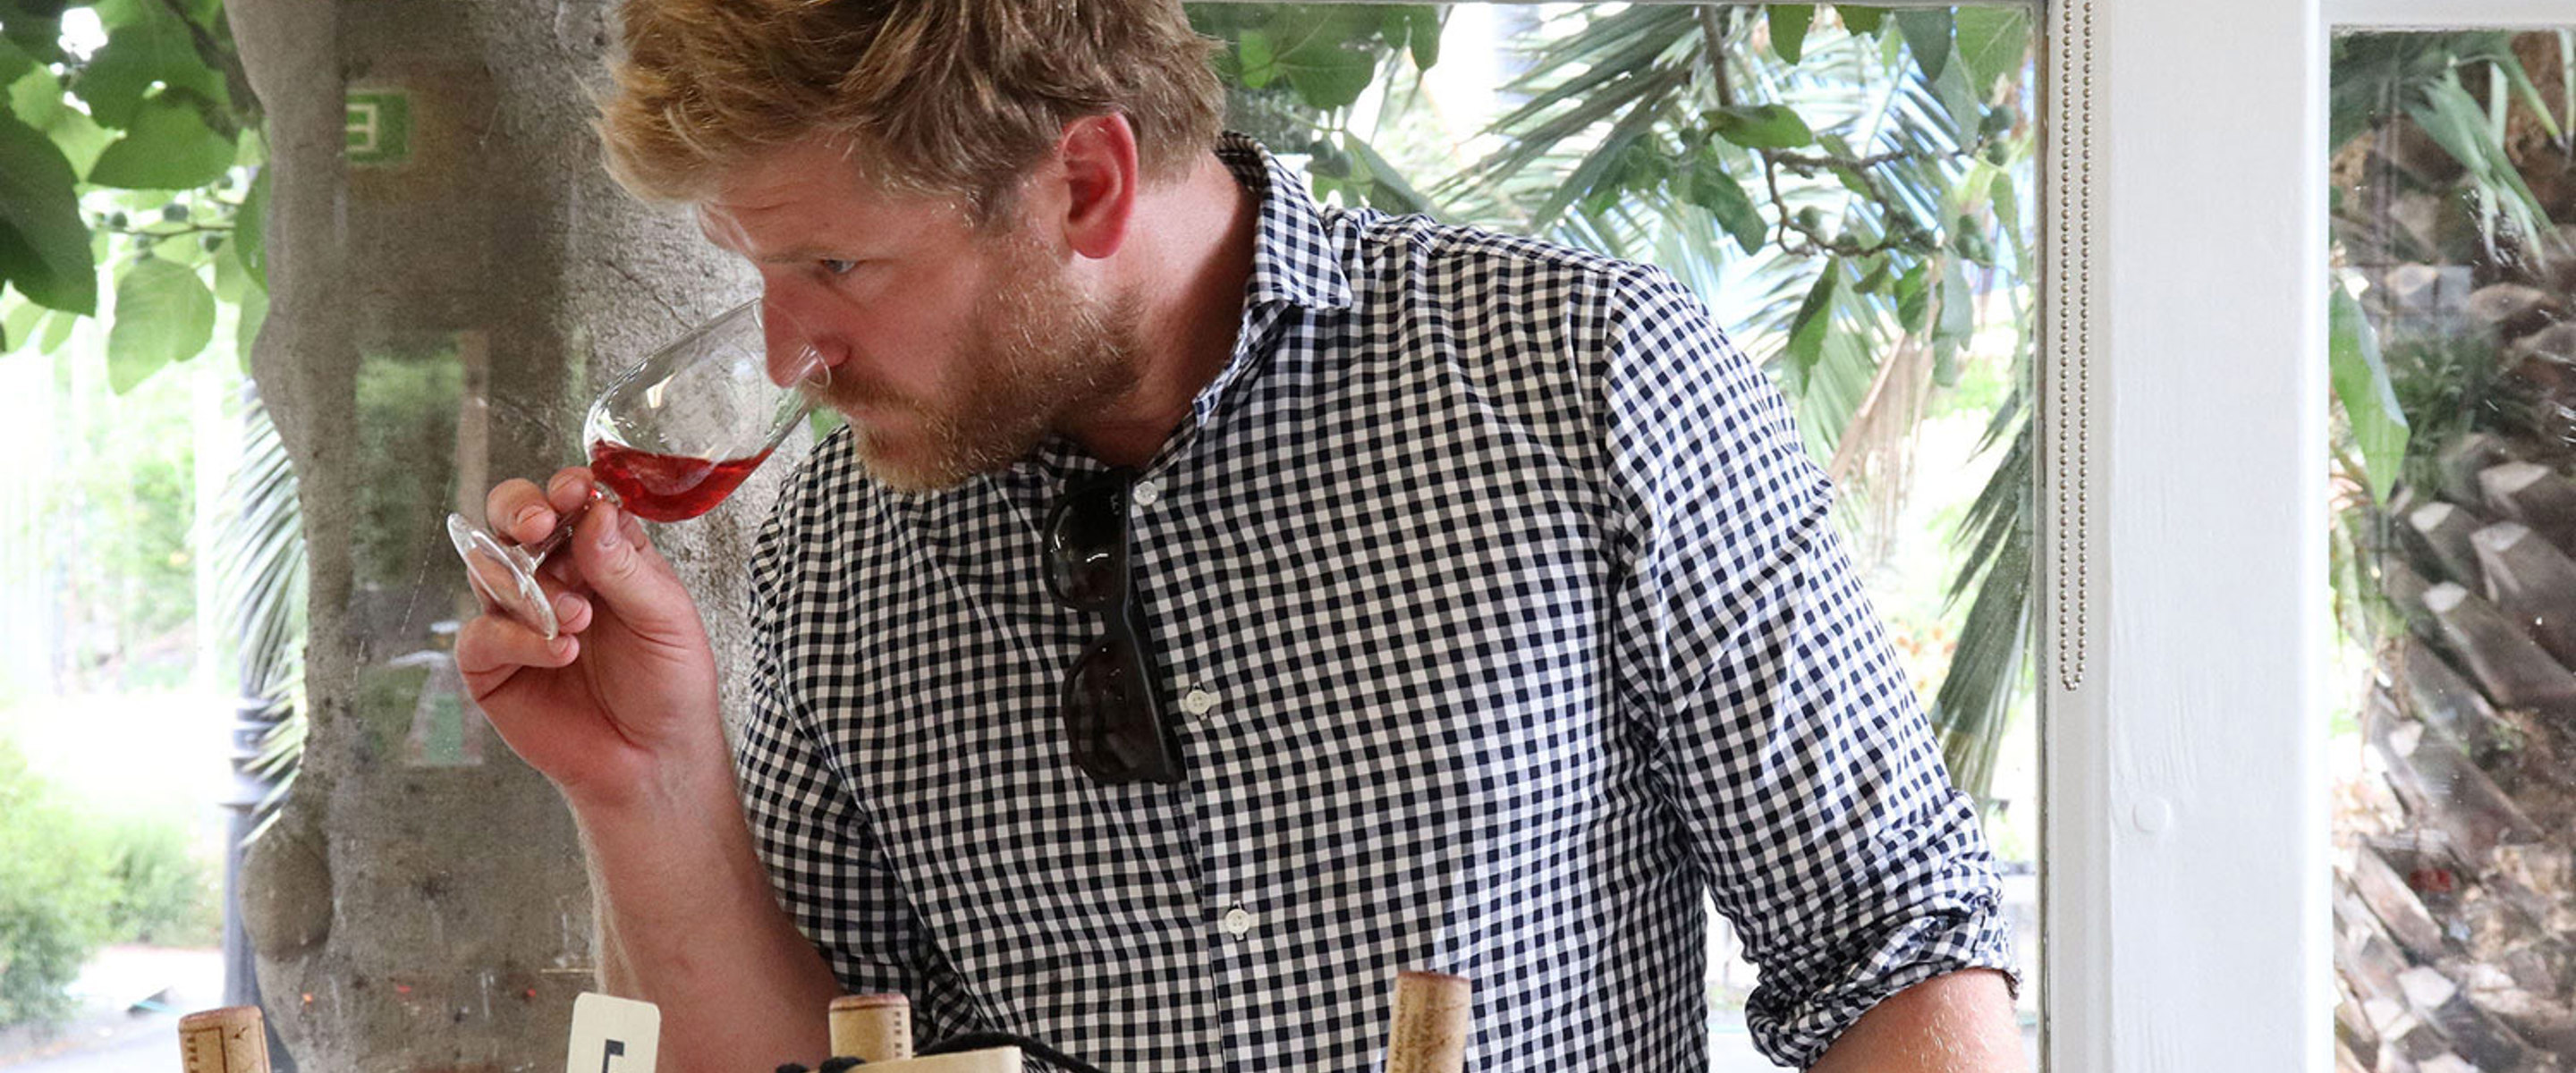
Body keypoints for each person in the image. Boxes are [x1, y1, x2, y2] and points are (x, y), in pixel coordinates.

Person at [456, 1, 2025, 1069]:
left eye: (840, 268)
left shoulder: (1579, 378)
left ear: (1084, 179)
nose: (789, 350)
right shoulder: (836, 553)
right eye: (759, 269)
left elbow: (1896, 956)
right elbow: (823, 1057)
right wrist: (649, 782)